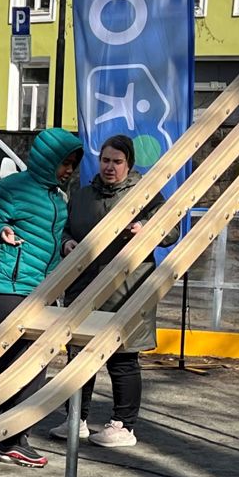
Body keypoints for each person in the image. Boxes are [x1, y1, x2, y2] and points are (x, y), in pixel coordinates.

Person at [52, 135, 179, 448]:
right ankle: (76, 417)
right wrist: (67, 242)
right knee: (79, 354)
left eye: (117, 162)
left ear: (129, 164)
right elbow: (67, 229)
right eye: (106, 160)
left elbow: (171, 230)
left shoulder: (147, 195)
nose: (110, 167)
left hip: (128, 288)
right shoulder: (82, 195)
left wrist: (145, 228)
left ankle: (123, 424)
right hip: (84, 288)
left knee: (122, 358)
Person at [0, 128, 83, 468]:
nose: (68, 171)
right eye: (65, 164)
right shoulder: (12, 189)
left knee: (27, 364)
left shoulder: (57, 197)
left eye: (73, 166)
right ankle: (10, 438)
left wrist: (65, 245)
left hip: (41, 289)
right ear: (47, 160)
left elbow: (54, 233)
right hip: (6, 287)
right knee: (17, 365)